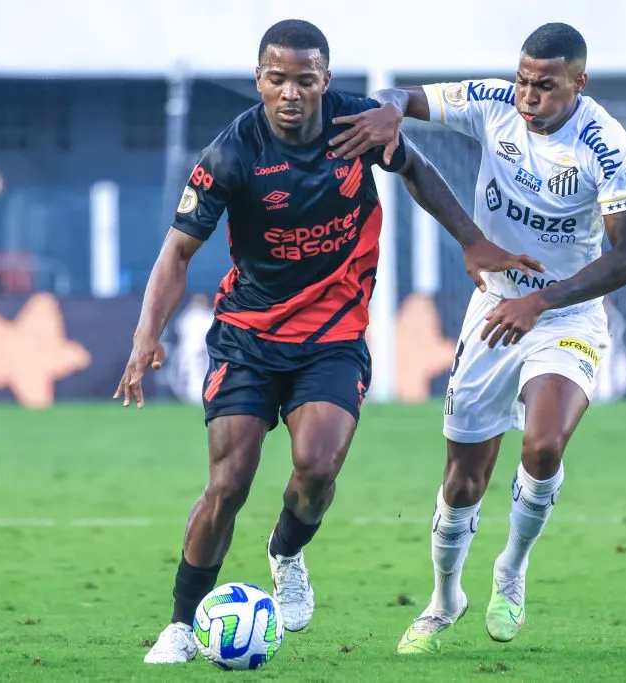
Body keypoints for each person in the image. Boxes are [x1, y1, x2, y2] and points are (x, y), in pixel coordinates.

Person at [113, 19, 543, 665]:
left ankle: (285, 552)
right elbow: (176, 253)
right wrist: (145, 336)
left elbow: (418, 170)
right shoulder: (231, 154)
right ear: (259, 78)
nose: (290, 92)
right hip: (247, 339)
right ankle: (179, 623)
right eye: (277, 78)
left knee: (316, 469)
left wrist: (472, 241)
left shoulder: (358, 125)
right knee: (229, 483)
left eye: (304, 79)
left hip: (333, 336)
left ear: (325, 81)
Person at [328, 22, 626, 653]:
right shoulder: (494, 104)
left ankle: (512, 568)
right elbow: (401, 94)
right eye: (524, 80)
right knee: (462, 480)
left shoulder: (606, 145)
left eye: (546, 85)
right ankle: (445, 600)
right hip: (496, 309)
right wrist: (390, 111)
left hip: (565, 313)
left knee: (545, 443)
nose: (528, 96)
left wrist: (543, 300)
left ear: (577, 83)